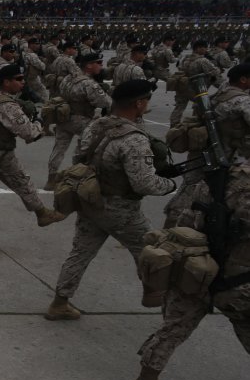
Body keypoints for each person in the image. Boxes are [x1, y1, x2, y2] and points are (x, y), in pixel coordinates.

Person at [129, 64, 250, 380]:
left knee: (175, 326)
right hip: (239, 278)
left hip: (198, 266)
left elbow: (184, 220)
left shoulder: (210, 180)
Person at [46, 79, 178, 320]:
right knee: (151, 251)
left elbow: (79, 158)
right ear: (138, 104)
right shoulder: (134, 138)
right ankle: (157, 297)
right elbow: (144, 183)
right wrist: (170, 184)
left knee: (80, 253)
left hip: (91, 202)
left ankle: (59, 302)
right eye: (146, 99)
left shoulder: (96, 126)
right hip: (122, 209)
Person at [0, 64, 66, 245]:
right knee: (22, 182)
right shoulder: (6, 105)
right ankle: (42, 214)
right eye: (18, 79)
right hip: (1, 155)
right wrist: (40, 121)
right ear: (6, 82)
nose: (22, 82)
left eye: (22, 78)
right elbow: (29, 133)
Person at [45, 53, 113, 190]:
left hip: (63, 117)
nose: (101, 65)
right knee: (86, 148)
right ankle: (78, 177)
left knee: (58, 149)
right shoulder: (88, 83)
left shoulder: (67, 79)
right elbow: (104, 102)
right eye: (98, 63)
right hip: (82, 119)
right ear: (88, 65)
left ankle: (51, 180)